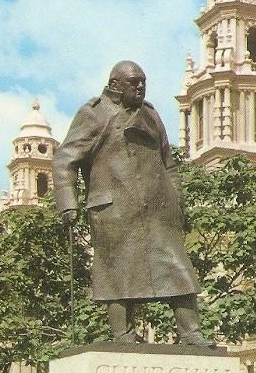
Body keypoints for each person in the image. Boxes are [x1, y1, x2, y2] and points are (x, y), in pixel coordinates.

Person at [53, 60, 214, 347]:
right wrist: (68, 202)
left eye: (143, 81)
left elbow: (169, 163)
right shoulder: (93, 114)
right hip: (114, 209)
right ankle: (123, 335)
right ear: (115, 84)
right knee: (117, 274)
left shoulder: (150, 114)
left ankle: (190, 333)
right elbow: (65, 158)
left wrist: (177, 201)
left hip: (157, 210)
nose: (140, 86)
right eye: (133, 82)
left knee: (177, 269)